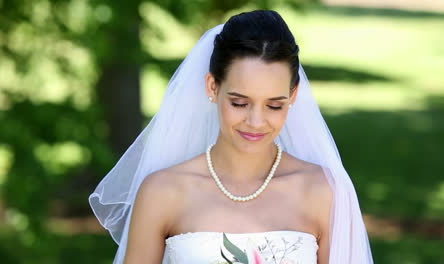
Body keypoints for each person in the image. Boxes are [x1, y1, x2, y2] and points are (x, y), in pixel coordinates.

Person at [89, 10, 374, 264]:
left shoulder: (324, 191)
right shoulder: (162, 192)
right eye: (239, 103)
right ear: (213, 86)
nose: (256, 121)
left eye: (275, 105)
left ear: (294, 95)